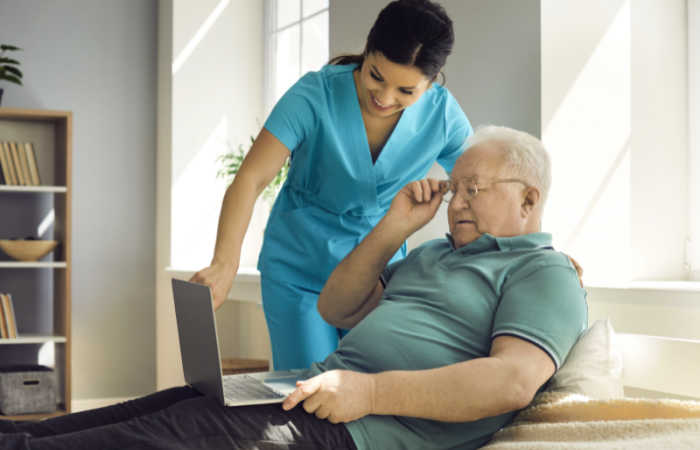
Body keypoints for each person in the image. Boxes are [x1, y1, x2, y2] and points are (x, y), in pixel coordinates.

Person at [0, 126, 587, 450]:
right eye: (453, 186)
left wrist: (369, 393)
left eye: (472, 189)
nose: (454, 201)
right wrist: (391, 229)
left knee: (161, 438)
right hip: (313, 391)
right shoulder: (434, 252)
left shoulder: (545, 272)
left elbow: (511, 382)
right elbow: (337, 305)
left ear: (529, 198)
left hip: (360, 429)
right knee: (145, 410)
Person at [190, 0, 473, 370]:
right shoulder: (313, 95)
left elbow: (482, 181)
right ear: (367, 51)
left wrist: (531, 252)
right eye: (376, 76)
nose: (385, 99)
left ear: (431, 83)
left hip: (377, 277)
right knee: (306, 395)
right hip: (299, 268)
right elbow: (251, 178)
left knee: (370, 395)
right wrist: (224, 265)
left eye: (406, 92)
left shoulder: (443, 115)